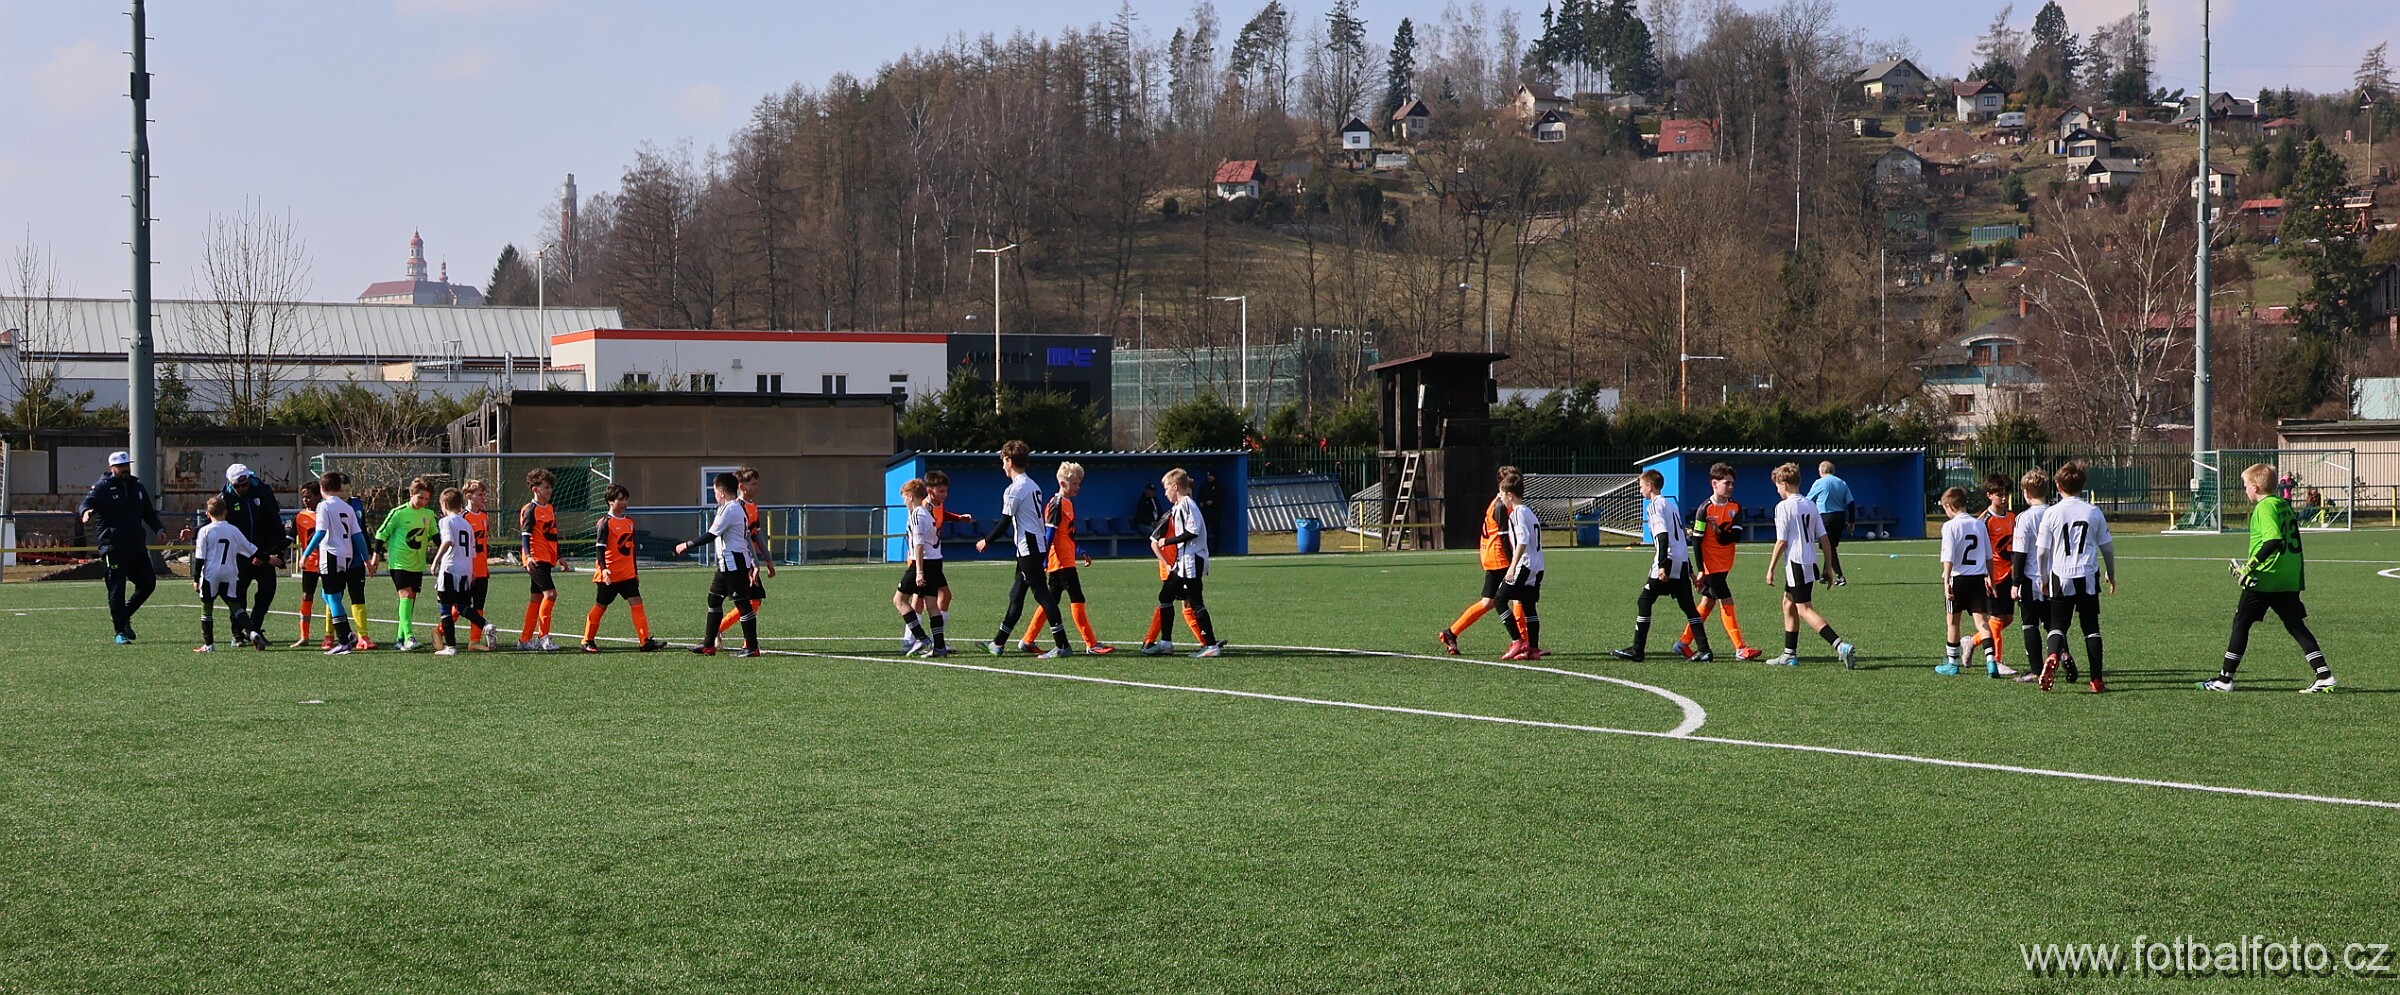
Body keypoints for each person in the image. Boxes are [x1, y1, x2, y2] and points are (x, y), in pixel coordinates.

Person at [2203, 464, 2337, 693]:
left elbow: (2273, 540)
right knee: (2294, 624)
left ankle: (2224, 680)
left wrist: (2249, 567)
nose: (2245, 490)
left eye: (2246, 486)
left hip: (2266, 577)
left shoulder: (2264, 507)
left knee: (2241, 623)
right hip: (2288, 576)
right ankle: (2324, 674)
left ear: (2255, 487)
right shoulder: (2283, 504)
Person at [976, 441, 1073, 658]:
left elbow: (1004, 521)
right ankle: (998, 643)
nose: (1002, 466)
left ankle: (1062, 645)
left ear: (1009, 460)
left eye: (1003, 461)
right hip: (1032, 546)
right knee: (1017, 594)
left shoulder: (1015, 489)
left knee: (1042, 594)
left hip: (1029, 547)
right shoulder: (1032, 484)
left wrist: (986, 541)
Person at [1763, 462, 1857, 668]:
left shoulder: (1783, 507)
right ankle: (1789, 654)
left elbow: (1781, 541)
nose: (1777, 490)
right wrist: (1828, 567)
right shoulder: (1810, 505)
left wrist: (1770, 569)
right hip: (1810, 561)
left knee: (1804, 609)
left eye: (1777, 486)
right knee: (1788, 603)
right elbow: (1824, 539)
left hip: (1796, 563)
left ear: (1784, 484)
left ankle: (1840, 646)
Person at [1611, 469, 1711, 662]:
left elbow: (1663, 536)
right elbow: (1680, 539)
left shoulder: (1655, 506)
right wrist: (1690, 571)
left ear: (1650, 486)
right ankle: (1704, 650)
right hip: (1681, 561)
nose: (1640, 490)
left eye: (1641, 486)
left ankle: (1637, 650)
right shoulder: (1671, 505)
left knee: (1644, 601)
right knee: (1688, 606)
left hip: (1668, 561)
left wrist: (1663, 566)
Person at [2035, 461, 2116, 693]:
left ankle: (2053, 654)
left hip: (2061, 574)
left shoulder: (2051, 513)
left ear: (2058, 486)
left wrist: (2043, 578)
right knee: (2091, 628)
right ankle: (2096, 680)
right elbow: (2107, 548)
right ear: (2082, 486)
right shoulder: (2093, 511)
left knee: (2058, 624)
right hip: (2087, 574)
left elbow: (2042, 552)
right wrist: (2111, 574)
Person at [1018, 462, 1115, 654]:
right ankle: (1091, 643)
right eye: (1075, 483)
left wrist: (1079, 550)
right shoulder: (1057, 504)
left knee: (1051, 601)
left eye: (1079, 483)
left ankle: (1027, 640)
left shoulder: (1068, 503)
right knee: (1076, 597)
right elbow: (1049, 533)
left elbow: (1067, 534)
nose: (1078, 487)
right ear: (1063, 483)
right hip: (1060, 561)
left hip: (1066, 559)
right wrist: (1044, 558)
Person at [1675, 462, 1763, 661]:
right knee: (1726, 600)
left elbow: (1735, 537)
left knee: (1707, 602)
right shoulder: (1704, 509)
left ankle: (1683, 642)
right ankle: (1740, 648)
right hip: (1710, 565)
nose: (1730, 487)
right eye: (1726, 483)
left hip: (1725, 564)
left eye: (1732, 483)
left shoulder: (1736, 508)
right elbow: (1696, 541)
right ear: (1714, 484)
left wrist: (1717, 530)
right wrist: (1701, 569)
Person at [81, 450, 166, 644]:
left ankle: (124, 615)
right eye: (120, 466)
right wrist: (86, 511)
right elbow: (87, 502)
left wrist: (159, 528)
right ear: (111, 468)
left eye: (126, 465)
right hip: (113, 546)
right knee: (117, 587)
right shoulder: (102, 487)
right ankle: (119, 631)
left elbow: (148, 512)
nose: (125, 469)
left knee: (148, 583)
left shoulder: (137, 487)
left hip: (136, 545)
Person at [1438, 466, 1523, 656]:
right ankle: (1523, 642)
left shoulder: (1500, 502)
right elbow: (1503, 537)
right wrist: (1513, 562)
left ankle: (1451, 632)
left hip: (1494, 556)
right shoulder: (1501, 505)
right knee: (1517, 597)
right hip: (1499, 557)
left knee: (1488, 602)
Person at [1143, 467, 1226, 658]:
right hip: (1182, 561)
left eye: (1166, 488)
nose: (1165, 493)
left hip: (1191, 560)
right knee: (1165, 596)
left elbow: (1193, 531)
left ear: (1175, 487)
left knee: (1195, 601)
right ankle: (1166, 643)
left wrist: (1168, 541)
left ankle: (1211, 645)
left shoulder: (1188, 504)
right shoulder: (1178, 507)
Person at [677, 472, 762, 658]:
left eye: (715, 491)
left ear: (722, 492)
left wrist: (687, 544)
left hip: (734, 563)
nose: (714, 495)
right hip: (726, 564)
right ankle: (708, 645)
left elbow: (711, 534)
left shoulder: (730, 509)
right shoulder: (732, 507)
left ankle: (752, 647)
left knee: (742, 604)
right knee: (714, 600)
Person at [201, 464, 286, 645]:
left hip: (263, 552)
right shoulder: (224, 498)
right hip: (238, 556)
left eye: (244, 485)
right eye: (237, 486)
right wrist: (194, 531)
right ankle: (237, 634)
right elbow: (214, 522)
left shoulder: (263, 492)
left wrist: (271, 552)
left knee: (268, 590)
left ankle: (254, 628)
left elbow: (274, 522)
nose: (241, 489)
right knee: (238, 594)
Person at [581, 483, 667, 653]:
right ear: (610, 501)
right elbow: (600, 549)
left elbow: (631, 550)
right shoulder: (605, 523)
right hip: (610, 575)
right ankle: (587, 640)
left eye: (626, 499)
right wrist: (604, 569)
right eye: (620, 499)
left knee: (637, 602)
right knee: (601, 605)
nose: (624, 503)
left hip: (627, 574)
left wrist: (635, 572)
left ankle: (644, 641)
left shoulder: (629, 522)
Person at [1934, 487, 1998, 677]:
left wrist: (1946, 581)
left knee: (1953, 621)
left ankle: (1953, 664)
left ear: (1948, 506)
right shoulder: (1979, 524)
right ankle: (1991, 662)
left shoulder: (1950, 526)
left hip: (1958, 578)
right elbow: (1989, 556)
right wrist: (1991, 578)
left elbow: (1948, 556)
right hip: (1978, 579)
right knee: (1982, 622)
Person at [369, 479, 438, 652]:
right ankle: (409, 637)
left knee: (409, 600)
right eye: (420, 497)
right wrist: (376, 555)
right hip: (399, 562)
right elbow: (381, 534)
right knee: (406, 595)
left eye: (426, 499)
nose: (423, 502)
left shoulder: (429, 515)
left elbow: (436, 536)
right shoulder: (398, 512)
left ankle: (399, 639)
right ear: (411, 494)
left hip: (417, 563)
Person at [301, 470, 365, 655]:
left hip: (331, 554)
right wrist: (366, 559)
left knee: (333, 597)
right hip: (346, 555)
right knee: (327, 595)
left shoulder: (324, 506)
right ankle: (348, 635)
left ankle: (344, 641)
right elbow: (358, 535)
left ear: (322, 488)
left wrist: (306, 554)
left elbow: (320, 532)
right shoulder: (348, 507)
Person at [189, 494, 261, 653]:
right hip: (229, 573)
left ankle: (209, 645)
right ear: (226, 512)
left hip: (211, 574)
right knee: (235, 605)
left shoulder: (204, 531)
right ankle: (252, 632)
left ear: (207, 514)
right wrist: (267, 558)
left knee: (207, 608)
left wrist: (196, 579)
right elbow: (251, 549)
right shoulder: (233, 530)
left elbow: (200, 558)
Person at [711, 467, 774, 644]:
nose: (757, 487)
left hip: (747, 560)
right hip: (740, 560)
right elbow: (745, 538)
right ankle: (726, 633)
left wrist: (768, 559)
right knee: (747, 601)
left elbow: (756, 534)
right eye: (753, 484)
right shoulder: (737, 507)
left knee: (752, 601)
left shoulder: (752, 506)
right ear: (741, 487)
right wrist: (754, 563)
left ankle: (721, 631)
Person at [429, 487, 494, 655]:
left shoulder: (446, 521)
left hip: (450, 568)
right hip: (465, 570)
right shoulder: (466, 524)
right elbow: (472, 551)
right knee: (463, 606)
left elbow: (448, 541)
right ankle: (485, 625)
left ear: (444, 505)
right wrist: (471, 571)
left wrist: (435, 561)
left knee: (445, 608)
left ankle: (450, 647)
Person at [914, 469, 972, 653]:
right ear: (929, 491)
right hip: (922, 560)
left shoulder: (937, 504)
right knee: (919, 598)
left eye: (946, 490)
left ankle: (937, 640)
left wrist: (958, 518)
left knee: (944, 595)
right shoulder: (923, 509)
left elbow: (942, 515)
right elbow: (916, 537)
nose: (945, 494)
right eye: (941, 491)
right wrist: (917, 567)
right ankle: (912, 639)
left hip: (934, 559)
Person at [2010, 469, 2058, 684]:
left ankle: (2037, 670)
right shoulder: (2056, 513)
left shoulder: (2024, 517)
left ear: (2026, 492)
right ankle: (2062, 654)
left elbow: (2019, 553)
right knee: (2053, 623)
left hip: (2031, 578)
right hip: (2055, 577)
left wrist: (2015, 582)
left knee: (2029, 624)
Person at [1496, 476, 1546, 661]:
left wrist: (1512, 566)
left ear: (1510, 495)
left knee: (1499, 600)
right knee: (1528, 605)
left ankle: (1517, 641)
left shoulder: (1517, 513)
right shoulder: (1529, 512)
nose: (1500, 498)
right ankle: (1533, 649)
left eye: (1502, 494)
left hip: (1524, 565)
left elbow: (1523, 541)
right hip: (1538, 565)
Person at [1977, 474, 2021, 678]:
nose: (2003, 498)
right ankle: (1996, 660)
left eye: (2006, 494)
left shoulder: (2012, 517)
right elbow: (1979, 550)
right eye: (1999, 495)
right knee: (1995, 618)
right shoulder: (1984, 521)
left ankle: (1972, 641)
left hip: (2009, 573)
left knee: (2007, 619)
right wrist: (1985, 574)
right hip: (1991, 575)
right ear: (1989, 495)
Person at [515, 468, 564, 651]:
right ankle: (543, 637)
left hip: (547, 557)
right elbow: (525, 536)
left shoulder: (550, 508)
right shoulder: (530, 510)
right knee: (550, 594)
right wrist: (528, 556)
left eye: (550, 487)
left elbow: (553, 535)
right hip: (535, 558)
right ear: (535, 489)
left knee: (536, 597)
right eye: (546, 487)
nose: (550, 490)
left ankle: (524, 640)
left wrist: (560, 557)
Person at [893, 479, 943, 656]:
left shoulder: (917, 514)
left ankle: (921, 639)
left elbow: (919, 544)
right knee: (931, 604)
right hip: (935, 561)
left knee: (899, 600)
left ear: (910, 496)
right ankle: (939, 647)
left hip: (922, 562)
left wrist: (919, 571)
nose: (904, 502)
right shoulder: (926, 512)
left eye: (904, 498)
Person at [290, 480, 326, 647]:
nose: (305, 500)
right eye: (303, 497)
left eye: (309, 497)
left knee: (330, 597)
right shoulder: (300, 517)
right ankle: (304, 636)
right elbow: (289, 538)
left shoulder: (326, 513)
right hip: (309, 563)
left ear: (319, 496)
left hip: (327, 561)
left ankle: (331, 635)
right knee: (306, 596)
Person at [460, 479, 494, 645]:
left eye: (484, 494)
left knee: (479, 605)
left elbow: (484, 544)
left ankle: (474, 641)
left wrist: (485, 566)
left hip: (481, 569)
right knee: (461, 607)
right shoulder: (463, 518)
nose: (483, 498)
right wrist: (468, 569)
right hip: (467, 570)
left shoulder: (484, 516)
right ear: (468, 496)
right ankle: (440, 630)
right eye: (480, 495)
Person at [1197, 471, 1225, 552]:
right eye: (1208, 475)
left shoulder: (1218, 486)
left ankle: (1216, 549)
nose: (1208, 477)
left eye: (1210, 475)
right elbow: (1200, 496)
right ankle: (1204, 547)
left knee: (1216, 529)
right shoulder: (1205, 485)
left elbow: (1221, 497)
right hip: (1205, 511)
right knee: (1204, 529)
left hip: (1215, 512)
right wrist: (1201, 502)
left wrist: (1213, 502)